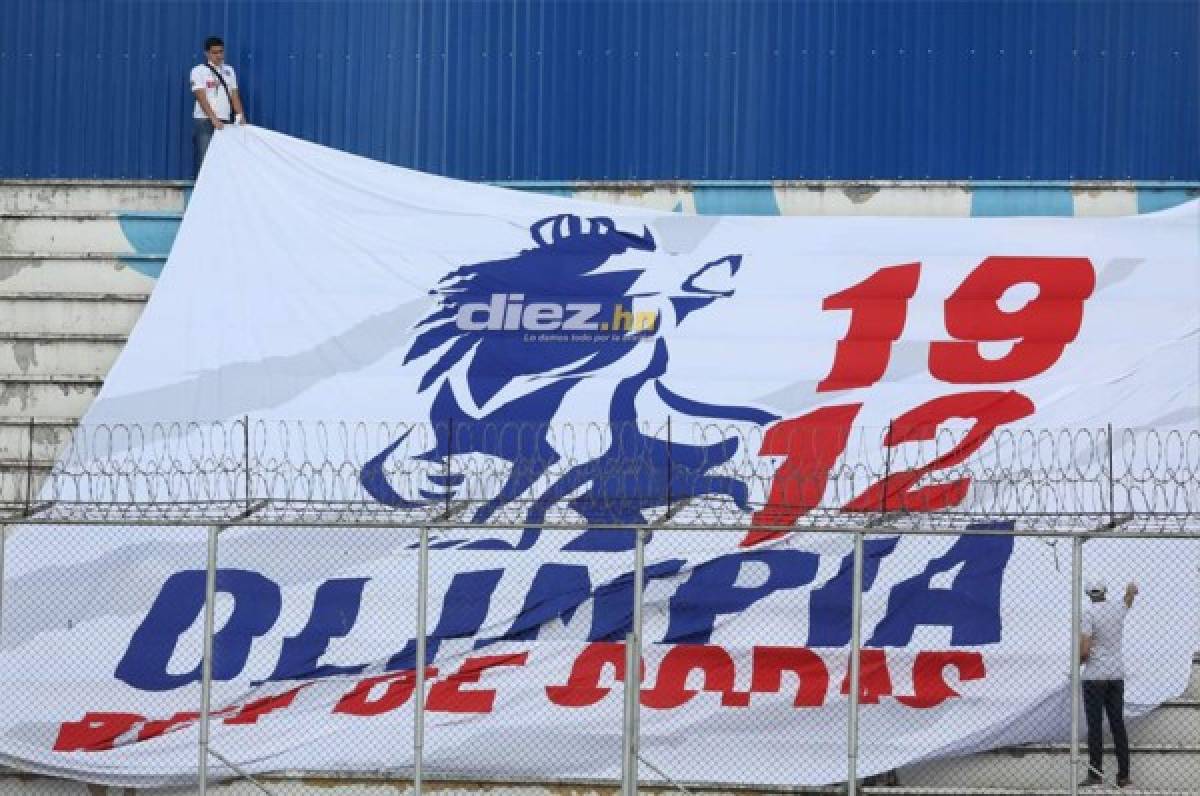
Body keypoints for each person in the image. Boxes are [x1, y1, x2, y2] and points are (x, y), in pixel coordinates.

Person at [1079, 577, 1138, 788]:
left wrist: (1077, 662)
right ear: (1105, 591)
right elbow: (1127, 602)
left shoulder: (1088, 613)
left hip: (1095, 676)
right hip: (1115, 675)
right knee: (1117, 725)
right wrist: (1130, 591)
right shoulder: (1116, 609)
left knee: (1095, 726)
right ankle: (1123, 776)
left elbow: (1085, 650)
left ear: (1088, 594)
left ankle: (1095, 774)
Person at [190, 36, 245, 176]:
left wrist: (240, 116)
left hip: (225, 121)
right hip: (205, 121)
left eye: (221, 52)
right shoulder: (198, 71)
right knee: (205, 158)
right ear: (207, 53)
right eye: (215, 53)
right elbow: (200, 97)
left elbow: (234, 95)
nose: (219, 56)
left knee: (224, 159)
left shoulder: (229, 71)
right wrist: (213, 118)